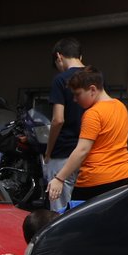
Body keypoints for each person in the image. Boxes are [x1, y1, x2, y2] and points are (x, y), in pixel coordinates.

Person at [47, 67, 128, 207]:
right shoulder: (121, 107)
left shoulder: (93, 114)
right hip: (124, 177)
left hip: (95, 181)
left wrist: (59, 178)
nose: (75, 100)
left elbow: (82, 150)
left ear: (93, 90)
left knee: (77, 224)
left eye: (77, 94)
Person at [42, 38, 84, 210]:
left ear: (59, 57)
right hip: (88, 152)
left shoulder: (60, 80)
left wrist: (48, 152)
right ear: (80, 55)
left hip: (64, 152)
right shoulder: (97, 79)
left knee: (60, 209)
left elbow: (58, 119)